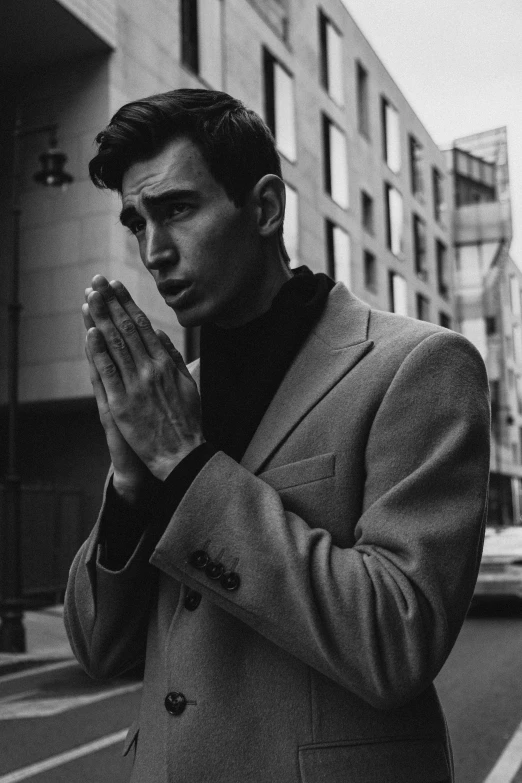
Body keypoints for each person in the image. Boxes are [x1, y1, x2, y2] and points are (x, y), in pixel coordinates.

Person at [64, 88, 490, 783]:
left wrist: (185, 465)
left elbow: (397, 638)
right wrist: (132, 486)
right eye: (136, 222)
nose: (153, 251)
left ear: (263, 207)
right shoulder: (174, 394)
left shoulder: (417, 365)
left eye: (175, 209)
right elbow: (97, 649)